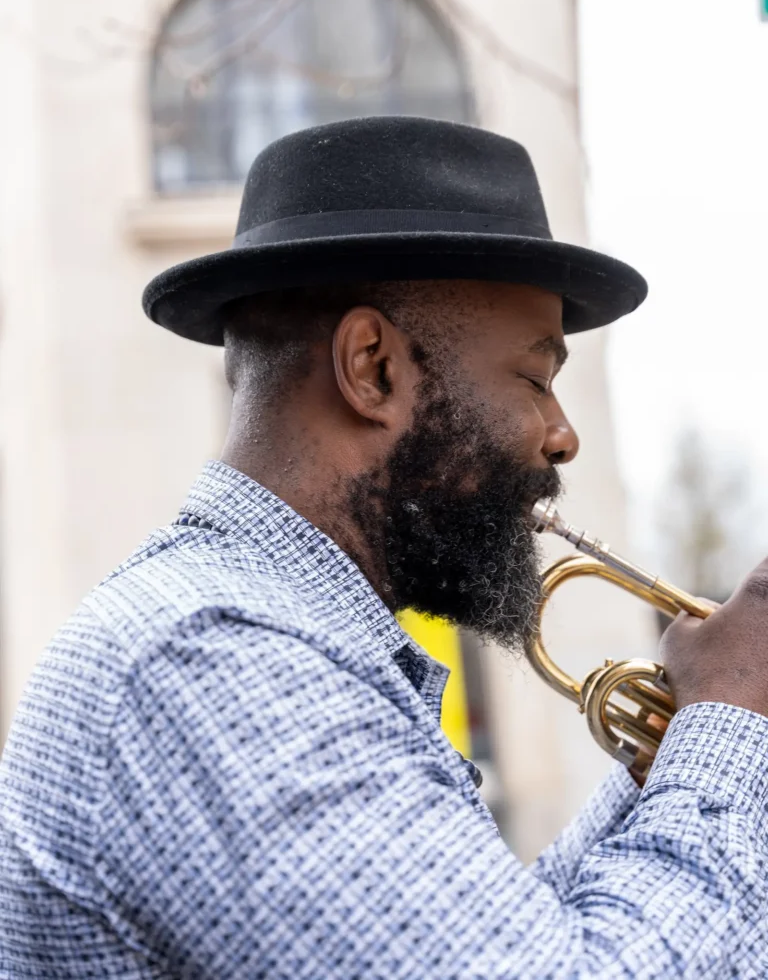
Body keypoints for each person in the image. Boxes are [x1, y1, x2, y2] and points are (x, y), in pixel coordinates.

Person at [0, 117, 766, 979]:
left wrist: (659, 775)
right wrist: (733, 712)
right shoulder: (215, 658)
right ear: (373, 368)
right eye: (535, 378)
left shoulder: (266, 637)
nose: (562, 436)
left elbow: (504, 944)